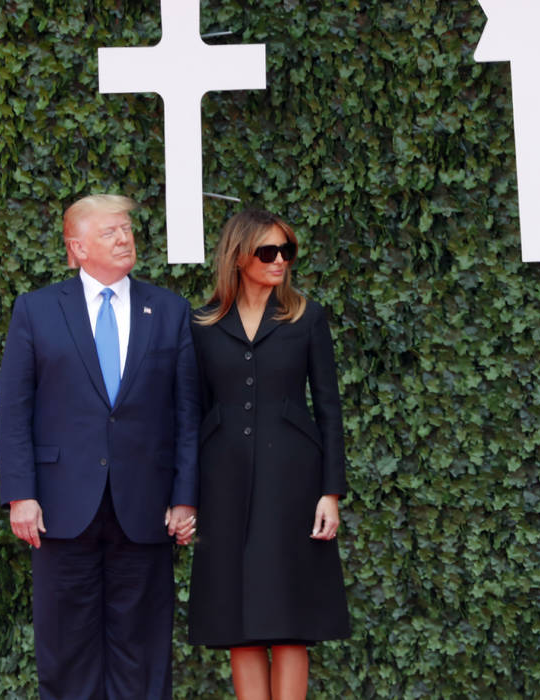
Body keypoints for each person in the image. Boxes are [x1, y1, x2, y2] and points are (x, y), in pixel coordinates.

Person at [0, 194, 200, 699]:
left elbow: (187, 415)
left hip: (147, 507)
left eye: (127, 228)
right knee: (66, 651)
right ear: (77, 247)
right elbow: (14, 410)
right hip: (61, 508)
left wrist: (185, 497)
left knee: (144, 649)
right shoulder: (37, 310)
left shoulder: (170, 310)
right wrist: (20, 494)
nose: (124, 238)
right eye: (110, 231)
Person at [187, 209, 351, 700]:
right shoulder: (202, 324)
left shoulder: (307, 317)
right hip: (223, 483)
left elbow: (329, 408)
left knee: (289, 618)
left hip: (293, 484)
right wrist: (187, 496)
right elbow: (192, 411)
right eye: (268, 252)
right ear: (238, 257)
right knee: (237, 619)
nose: (280, 260)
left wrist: (331, 492)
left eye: (287, 251)